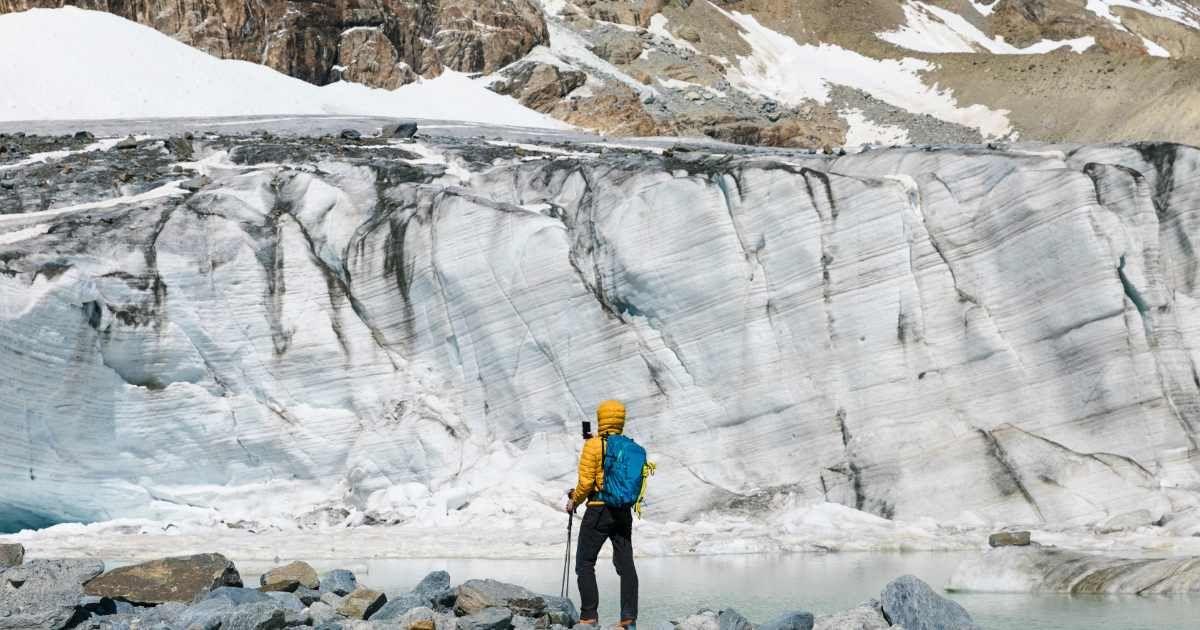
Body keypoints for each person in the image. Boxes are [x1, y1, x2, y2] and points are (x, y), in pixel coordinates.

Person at [564, 399, 638, 629]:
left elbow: (587, 482)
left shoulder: (594, 445)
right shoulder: (628, 446)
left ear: (601, 418)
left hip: (598, 509)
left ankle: (589, 617)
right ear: (621, 420)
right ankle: (628, 619)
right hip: (623, 512)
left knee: (585, 562)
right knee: (625, 564)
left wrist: (573, 501)